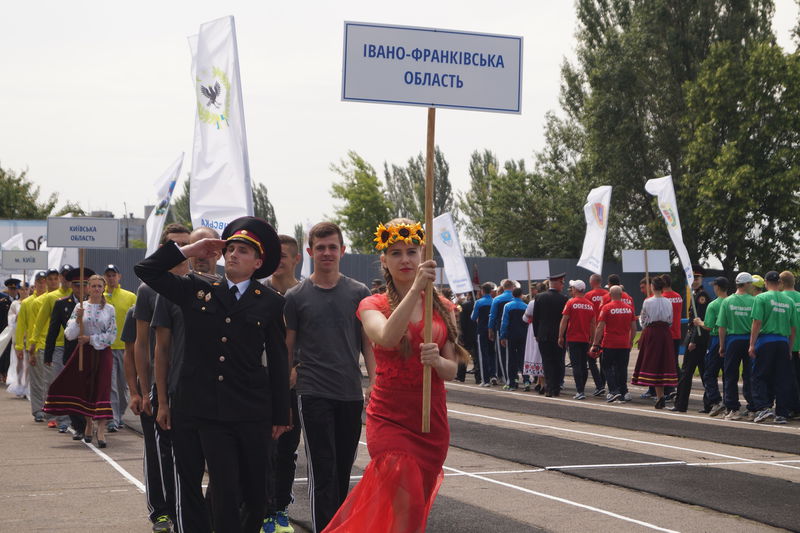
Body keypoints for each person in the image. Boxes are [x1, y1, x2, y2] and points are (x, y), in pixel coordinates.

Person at [135, 216, 291, 533]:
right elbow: (146, 271)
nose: (233, 254)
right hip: (209, 411)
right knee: (225, 487)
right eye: (230, 248)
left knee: (257, 492)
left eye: (243, 251)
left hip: (252, 408)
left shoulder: (270, 302)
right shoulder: (198, 289)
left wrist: (281, 413)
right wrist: (190, 248)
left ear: (258, 262)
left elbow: (277, 358)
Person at [324, 218, 466, 533]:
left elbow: (452, 369)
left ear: (422, 256)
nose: (405, 259)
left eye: (412, 252)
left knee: (414, 512)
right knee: (410, 502)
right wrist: (416, 289)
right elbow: (386, 337)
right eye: (397, 253)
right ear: (384, 262)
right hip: (390, 419)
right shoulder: (371, 304)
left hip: (431, 421)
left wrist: (436, 362)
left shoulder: (443, 307)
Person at [284, 222, 374, 533]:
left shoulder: (358, 292)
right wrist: (286, 382)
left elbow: (367, 342)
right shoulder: (296, 296)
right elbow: (288, 345)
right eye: (320, 247)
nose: (326, 252)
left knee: (342, 470)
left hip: (349, 392)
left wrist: (374, 382)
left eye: (332, 247)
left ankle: (339, 526)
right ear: (309, 252)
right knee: (322, 469)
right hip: (313, 393)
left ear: (342, 251)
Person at [151, 226, 220, 533]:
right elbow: (161, 350)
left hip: (224, 400)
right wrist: (163, 400)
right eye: (195, 248)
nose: (202, 255)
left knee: (224, 476)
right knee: (187, 476)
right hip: (183, 398)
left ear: (218, 252)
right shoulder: (174, 291)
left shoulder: (234, 290)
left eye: (208, 249)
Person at [133, 222, 191, 533]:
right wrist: (143, 391)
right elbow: (142, 344)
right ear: (163, 249)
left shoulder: (202, 284)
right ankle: (161, 511)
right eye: (175, 245)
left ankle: (186, 511)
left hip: (189, 388)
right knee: (158, 454)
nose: (181, 251)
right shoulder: (148, 289)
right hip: (158, 388)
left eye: (186, 244)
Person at [259, 234, 303, 533]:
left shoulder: (304, 294)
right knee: (261, 450)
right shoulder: (258, 293)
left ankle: (280, 510)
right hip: (259, 385)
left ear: (296, 259)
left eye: (283, 256)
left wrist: (298, 368)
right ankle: (260, 509)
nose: (278, 262)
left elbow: (315, 340)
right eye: (273, 256)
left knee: (286, 450)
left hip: (295, 386)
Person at [44, 274, 117, 448]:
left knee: (103, 388)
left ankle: (100, 429)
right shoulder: (80, 306)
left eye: (100, 286)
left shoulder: (110, 309)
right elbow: (69, 334)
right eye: (93, 286)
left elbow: (112, 335)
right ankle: (88, 424)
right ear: (88, 288)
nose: (97, 289)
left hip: (102, 352)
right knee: (86, 388)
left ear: (103, 288)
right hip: (84, 354)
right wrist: (78, 318)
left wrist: (91, 339)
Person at [44, 269, 92, 436]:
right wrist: (48, 354)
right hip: (71, 352)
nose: (80, 289)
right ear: (72, 286)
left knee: (90, 390)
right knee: (73, 390)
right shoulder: (62, 303)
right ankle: (79, 427)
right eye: (77, 285)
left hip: (93, 352)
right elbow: (53, 330)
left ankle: (91, 423)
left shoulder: (97, 303)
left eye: (84, 285)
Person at [749, 271, 798, 424]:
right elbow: (793, 328)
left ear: (765, 282)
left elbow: (757, 322)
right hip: (783, 342)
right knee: (782, 378)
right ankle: (781, 413)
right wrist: (789, 349)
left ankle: (763, 407)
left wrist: (751, 344)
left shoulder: (761, 298)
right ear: (779, 283)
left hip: (766, 341)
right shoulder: (788, 300)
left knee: (759, 376)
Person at [29, 264, 73, 425]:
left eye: (69, 276)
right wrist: (33, 344)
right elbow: (39, 322)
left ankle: (69, 413)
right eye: (64, 276)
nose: (65, 279)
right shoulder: (50, 298)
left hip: (72, 345)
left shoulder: (77, 295)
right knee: (52, 382)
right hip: (54, 345)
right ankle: (52, 414)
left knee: (69, 382)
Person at [631, 276, 676, 409]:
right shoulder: (668, 302)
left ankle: (660, 396)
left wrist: (644, 326)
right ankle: (660, 396)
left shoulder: (648, 302)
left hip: (652, 332)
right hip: (665, 333)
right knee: (662, 363)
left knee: (654, 363)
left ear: (652, 287)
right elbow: (670, 320)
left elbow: (643, 320)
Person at [716, 272, 756, 420]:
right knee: (749, 375)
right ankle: (752, 408)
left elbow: (722, 326)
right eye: (750, 283)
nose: (752, 286)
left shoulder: (727, 301)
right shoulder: (754, 301)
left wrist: (721, 345)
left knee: (731, 375)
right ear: (746, 284)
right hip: (749, 339)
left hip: (733, 340)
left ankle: (733, 409)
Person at [672, 266, 711, 413]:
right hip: (696, 338)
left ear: (701, 279)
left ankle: (681, 404)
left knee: (686, 373)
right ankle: (709, 403)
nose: (694, 281)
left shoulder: (701, 296)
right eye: (692, 278)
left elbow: (698, 321)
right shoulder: (695, 295)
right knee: (704, 373)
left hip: (697, 340)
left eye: (697, 278)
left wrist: (693, 341)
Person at [103, 264, 137, 432]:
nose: (111, 278)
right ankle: (113, 418)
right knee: (112, 385)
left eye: (113, 275)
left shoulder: (130, 297)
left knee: (124, 385)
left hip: (126, 348)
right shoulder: (101, 297)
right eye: (108, 275)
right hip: (107, 347)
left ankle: (120, 413)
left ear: (119, 276)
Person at [592, 285, 637, 402]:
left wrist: (595, 343)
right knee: (622, 368)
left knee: (607, 367)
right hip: (624, 343)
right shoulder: (629, 308)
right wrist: (630, 341)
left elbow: (600, 327)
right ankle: (623, 391)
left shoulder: (606, 308)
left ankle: (613, 390)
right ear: (621, 295)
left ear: (610, 295)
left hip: (609, 343)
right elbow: (634, 328)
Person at [694, 277, 728, 417]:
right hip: (730, 339)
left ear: (717, 287)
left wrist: (699, 322)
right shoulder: (731, 302)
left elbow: (708, 325)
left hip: (715, 339)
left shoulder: (713, 304)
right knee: (728, 374)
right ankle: (728, 401)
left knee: (709, 374)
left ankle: (716, 400)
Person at [558, 280, 597, 399]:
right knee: (583, 365)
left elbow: (564, 320)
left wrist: (560, 336)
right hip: (585, 339)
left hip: (573, 338)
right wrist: (592, 340)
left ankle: (580, 391)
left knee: (576, 365)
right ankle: (582, 389)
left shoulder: (571, 303)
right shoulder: (590, 305)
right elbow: (593, 324)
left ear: (575, 289)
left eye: (572, 288)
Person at [532, 273, 568, 397]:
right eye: (562, 283)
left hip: (543, 334)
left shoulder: (539, 297)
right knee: (558, 361)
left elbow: (535, 318)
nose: (563, 285)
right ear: (557, 283)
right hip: (558, 335)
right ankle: (556, 388)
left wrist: (536, 333)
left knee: (547, 362)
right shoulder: (563, 299)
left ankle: (548, 388)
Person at [779, 271, 800, 417]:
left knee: (787, 378)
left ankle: (792, 407)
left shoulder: (781, 299)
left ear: (781, 283)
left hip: (787, 344)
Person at [499, 287, 528, 390]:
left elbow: (504, 322)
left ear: (513, 295)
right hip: (523, 335)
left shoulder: (508, 306)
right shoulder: (526, 306)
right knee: (523, 358)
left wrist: (502, 336)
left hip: (511, 335)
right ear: (521, 295)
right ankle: (526, 381)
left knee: (511, 359)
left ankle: (512, 382)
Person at [488, 279, 516, 384]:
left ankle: (505, 378)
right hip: (515, 330)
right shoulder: (516, 298)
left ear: (503, 287)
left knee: (502, 355)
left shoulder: (497, 299)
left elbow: (492, 316)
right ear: (512, 287)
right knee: (514, 355)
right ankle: (514, 378)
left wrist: (490, 330)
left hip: (500, 329)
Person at [471, 282, 496, 387]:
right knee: (492, 353)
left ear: (482, 291)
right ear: (491, 291)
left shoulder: (478, 302)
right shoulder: (495, 301)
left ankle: (485, 380)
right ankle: (493, 375)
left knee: (483, 355)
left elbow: (473, 317)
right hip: (493, 330)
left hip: (482, 330)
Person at [522, 282, 545, 393]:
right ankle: (539, 382)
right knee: (543, 355)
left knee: (536, 354)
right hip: (548, 329)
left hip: (534, 330)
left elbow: (525, 318)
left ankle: (541, 382)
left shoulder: (533, 302)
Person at [457, 292, 479, 384]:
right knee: (477, 358)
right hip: (477, 334)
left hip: (466, 334)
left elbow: (462, 322)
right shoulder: (478, 304)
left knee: (463, 356)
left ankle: (461, 376)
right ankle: (479, 377)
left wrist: (461, 335)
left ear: (469, 295)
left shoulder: (464, 306)